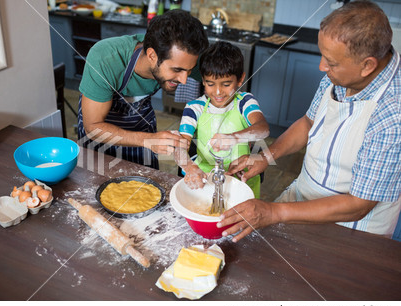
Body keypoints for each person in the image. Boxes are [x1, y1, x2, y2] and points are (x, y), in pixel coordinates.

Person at [219, 1, 400, 242]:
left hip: (353, 231)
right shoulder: (340, 74)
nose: (322, 67)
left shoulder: (393, 116)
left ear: (367, 65)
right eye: (323, 56)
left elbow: (359, 204)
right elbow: (308, 123)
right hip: (302, 198)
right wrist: (265, 156)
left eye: (331, 62)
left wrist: (273, 211)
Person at [77, 10, 208, 169]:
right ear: (152, 55)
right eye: (177, 70)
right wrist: (147, 140)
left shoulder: (185, 57)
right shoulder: (106, 58)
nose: (184, 80)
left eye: (189, 70)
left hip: (141, 127)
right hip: (101, 139)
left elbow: (227, 86)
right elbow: (93, 127)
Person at [175, 41, 269, 198]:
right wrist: (189, 166)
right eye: (210, 84)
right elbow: (179, 148)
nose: (218, 92)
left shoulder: (245, 102)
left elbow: (263, 129)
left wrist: (234, 137)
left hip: (239, 180)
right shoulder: (194, 108)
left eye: (226, 84)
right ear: (203, 81)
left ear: (240, 80)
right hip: (205, 180)